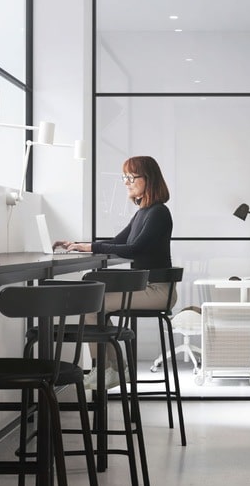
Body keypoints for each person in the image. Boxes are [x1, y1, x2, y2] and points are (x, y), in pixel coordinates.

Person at [55, 155, 175, 388]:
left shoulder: (159, 213)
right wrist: (79, 244)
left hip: (159, 291)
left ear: (148, 179)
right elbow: (117, 241)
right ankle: (113, 370)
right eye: (125, 177)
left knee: (92, 305)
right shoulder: (142, 213)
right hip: (146, 288)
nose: (126, 182)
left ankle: (108, 370)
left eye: (131, 176)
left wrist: (89, 247)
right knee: (94, 304)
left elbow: (133, 249)